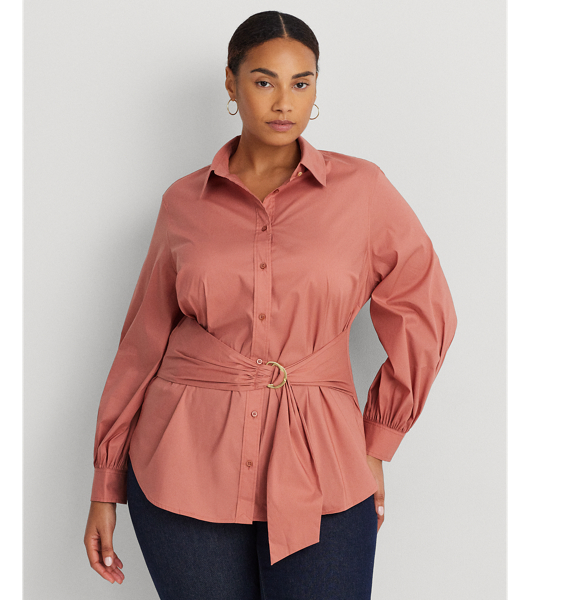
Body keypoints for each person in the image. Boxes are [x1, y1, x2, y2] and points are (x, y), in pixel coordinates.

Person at [83, 10, 457, 600]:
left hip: (323, 460)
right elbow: (142, 342)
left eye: (301, 83)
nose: (284, 102)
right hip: (182, 463)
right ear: (231, 85)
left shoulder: (363, 191)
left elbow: (425, 312)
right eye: (264, 81)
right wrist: (106, 482)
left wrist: (377, 440)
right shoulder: (183, 201)